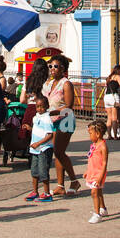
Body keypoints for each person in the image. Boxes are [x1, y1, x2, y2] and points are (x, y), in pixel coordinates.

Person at [43, 55, 80, 195]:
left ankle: (74, 181)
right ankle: (60, 185)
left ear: (63, 68)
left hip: (65, 120)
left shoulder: (66, 83)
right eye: (50, 66)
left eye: (56, 66)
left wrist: (52, 112)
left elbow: (69, 105)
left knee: (58, 151)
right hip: (52, 121)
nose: (52, 69)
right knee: (58, 153)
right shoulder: (50, 83)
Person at [25, 96, 56, 202]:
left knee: (43, 171)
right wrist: (30, 129)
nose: (39, 109)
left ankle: (47, 193)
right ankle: (35, 191)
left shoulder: (47, 118)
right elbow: (39, 130)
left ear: (46, 107)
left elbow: (49, 134)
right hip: (35, 149)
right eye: (37, 107)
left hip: (44, 148)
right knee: (34, 170)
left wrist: (38, 143)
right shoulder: (37, 117)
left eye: (41, 107)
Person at [84, 119, 109, 223]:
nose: (90, 136)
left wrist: (100, 177)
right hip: (92, 172)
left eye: (91, 134)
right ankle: (103, 208)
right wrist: (87, 170)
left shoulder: (102, 146)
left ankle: (97, 213)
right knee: (98, 192)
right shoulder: (93, 145)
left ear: (98, 134)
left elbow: (104, 163)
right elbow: (91, 159)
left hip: (98, 173)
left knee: (94, 192)